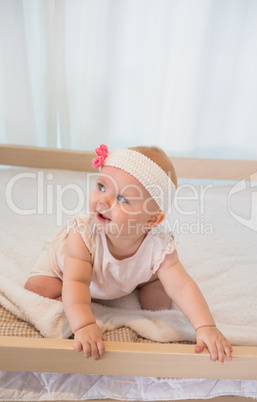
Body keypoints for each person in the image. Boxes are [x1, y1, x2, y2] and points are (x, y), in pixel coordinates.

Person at [25, 144, 232, 363]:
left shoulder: (158, 244)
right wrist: (84, 324)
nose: (103, 200)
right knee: (37, 289)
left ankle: (145, 281)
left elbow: (182, 285)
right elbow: (76, 280)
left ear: (152, 220)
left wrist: (205, 326)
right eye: (101, 187)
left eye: (123, 199)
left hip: (120, 277)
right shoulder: (84, 233)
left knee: (160, 303)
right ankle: (73, 302)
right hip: (69, 271)